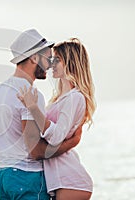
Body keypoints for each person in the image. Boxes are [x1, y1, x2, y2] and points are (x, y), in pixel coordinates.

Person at [0, 29, 83, 200]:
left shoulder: (0, 91)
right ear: (34, 58)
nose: (50, 64)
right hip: (26, 177)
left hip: (1, 175)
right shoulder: (30, 94)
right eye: (47, 58)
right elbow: (36, 151)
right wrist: (71, 143)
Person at [17, 38, 96, 200]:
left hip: (70, 182)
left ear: (70, 63)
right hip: (63, 181)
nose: (52, 63)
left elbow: (56, 138)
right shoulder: (61, 98)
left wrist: (33, 108)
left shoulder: (74, 98)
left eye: (57, 60)